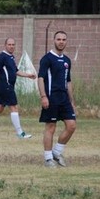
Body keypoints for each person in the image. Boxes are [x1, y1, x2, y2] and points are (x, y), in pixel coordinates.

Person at [38, 31, 76, 168]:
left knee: (71, 126)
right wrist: (43, 96)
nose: (61, 42)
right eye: (59, 39)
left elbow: (68, 81)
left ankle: (56, 152)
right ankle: (48, 159)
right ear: (54, 40)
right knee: (51, 127)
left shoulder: (67, 60)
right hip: (51, 98)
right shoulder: (47, 59)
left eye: (64, 39)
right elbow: (40, 79)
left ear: (66, 42)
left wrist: (72, 101)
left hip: (64, 99)